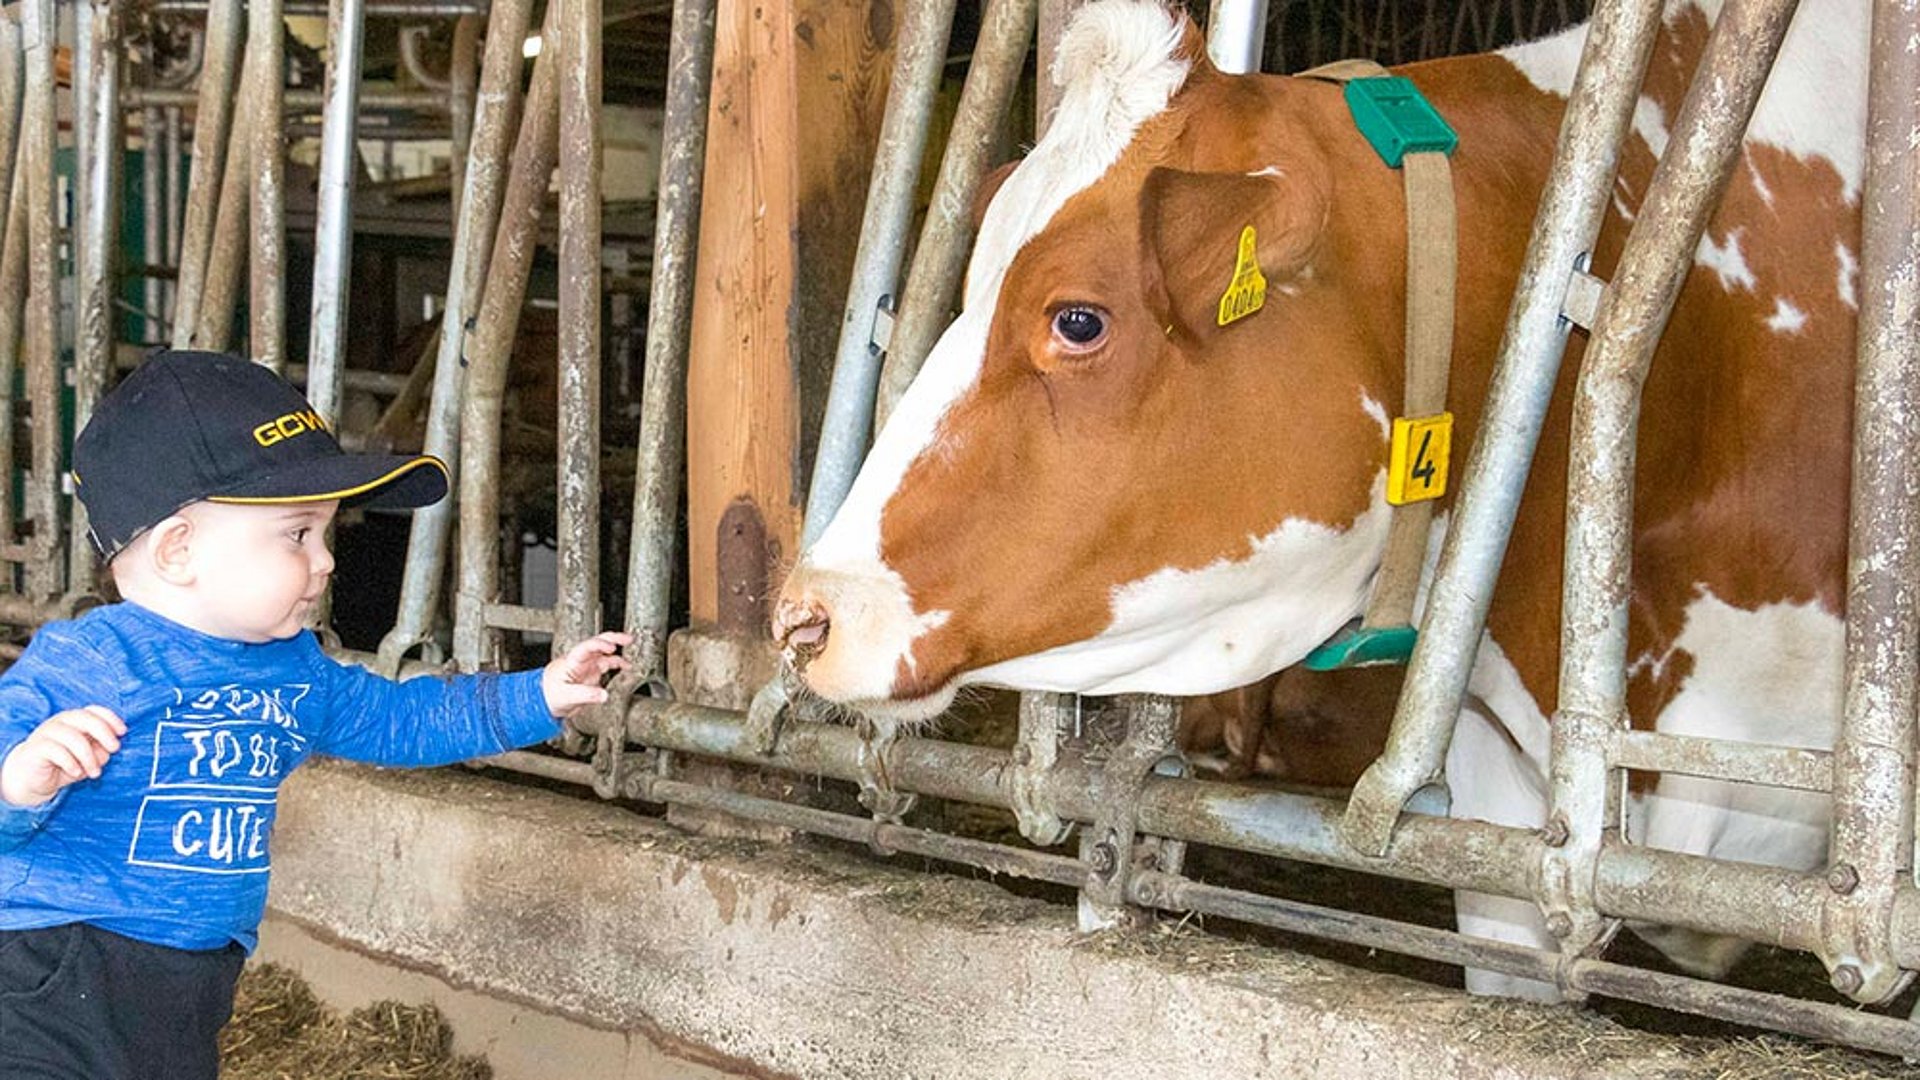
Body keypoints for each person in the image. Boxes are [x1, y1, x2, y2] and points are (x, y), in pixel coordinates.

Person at [0, 350, 629, 1080]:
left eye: (325, 534)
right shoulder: (95, 660)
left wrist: (539, 696)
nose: (326, 560)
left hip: (193, 987)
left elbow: (403, 721)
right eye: (297, 534)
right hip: (56, 968)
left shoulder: (295, 672)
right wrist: (18, 783)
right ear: (178, 550)